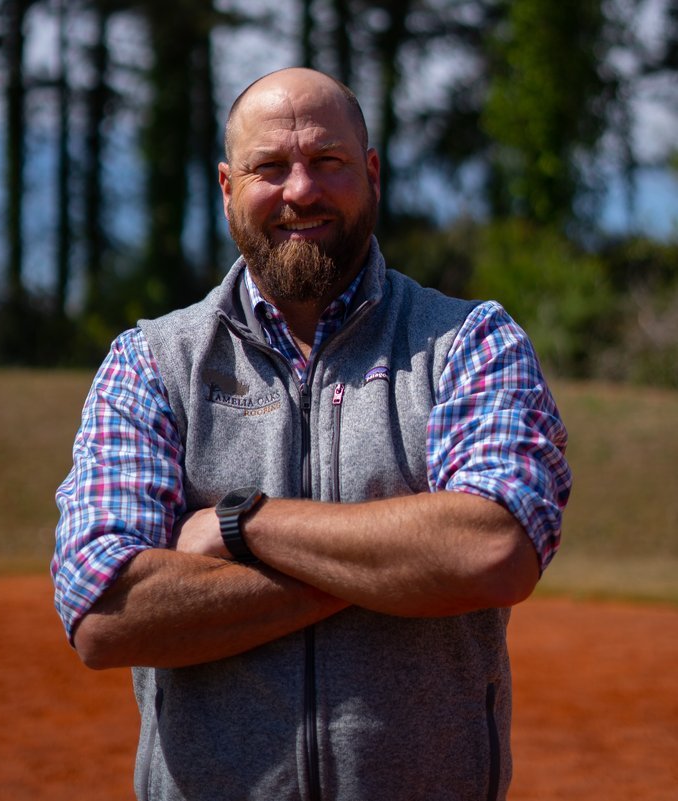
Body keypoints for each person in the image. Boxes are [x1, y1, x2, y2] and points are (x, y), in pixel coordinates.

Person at [52, 67, 571, 801]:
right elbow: (106, 614)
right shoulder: (151, 363)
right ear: (228, 187)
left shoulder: (470, 342)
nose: (301, 190)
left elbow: (492, 548)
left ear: (371, 174)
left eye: (327, 161)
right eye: (271, 167)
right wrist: (400, 566)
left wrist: (243, 523)